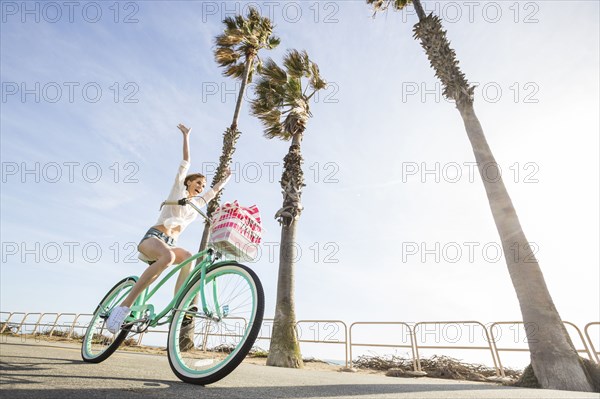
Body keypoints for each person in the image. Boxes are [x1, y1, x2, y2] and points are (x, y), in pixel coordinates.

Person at [106, 123, 231, 333]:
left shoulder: (196, 205)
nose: (200, 186)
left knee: (189, 257)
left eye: (202, 184)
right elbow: (186, 162)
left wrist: (226, 178)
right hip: (153, 238)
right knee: (169, 257)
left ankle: (179, 306)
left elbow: (214, 192)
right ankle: (124, 307)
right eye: (197, 182)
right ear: (188, 182)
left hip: (170, 245)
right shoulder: (177, 193)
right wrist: (186, 136)